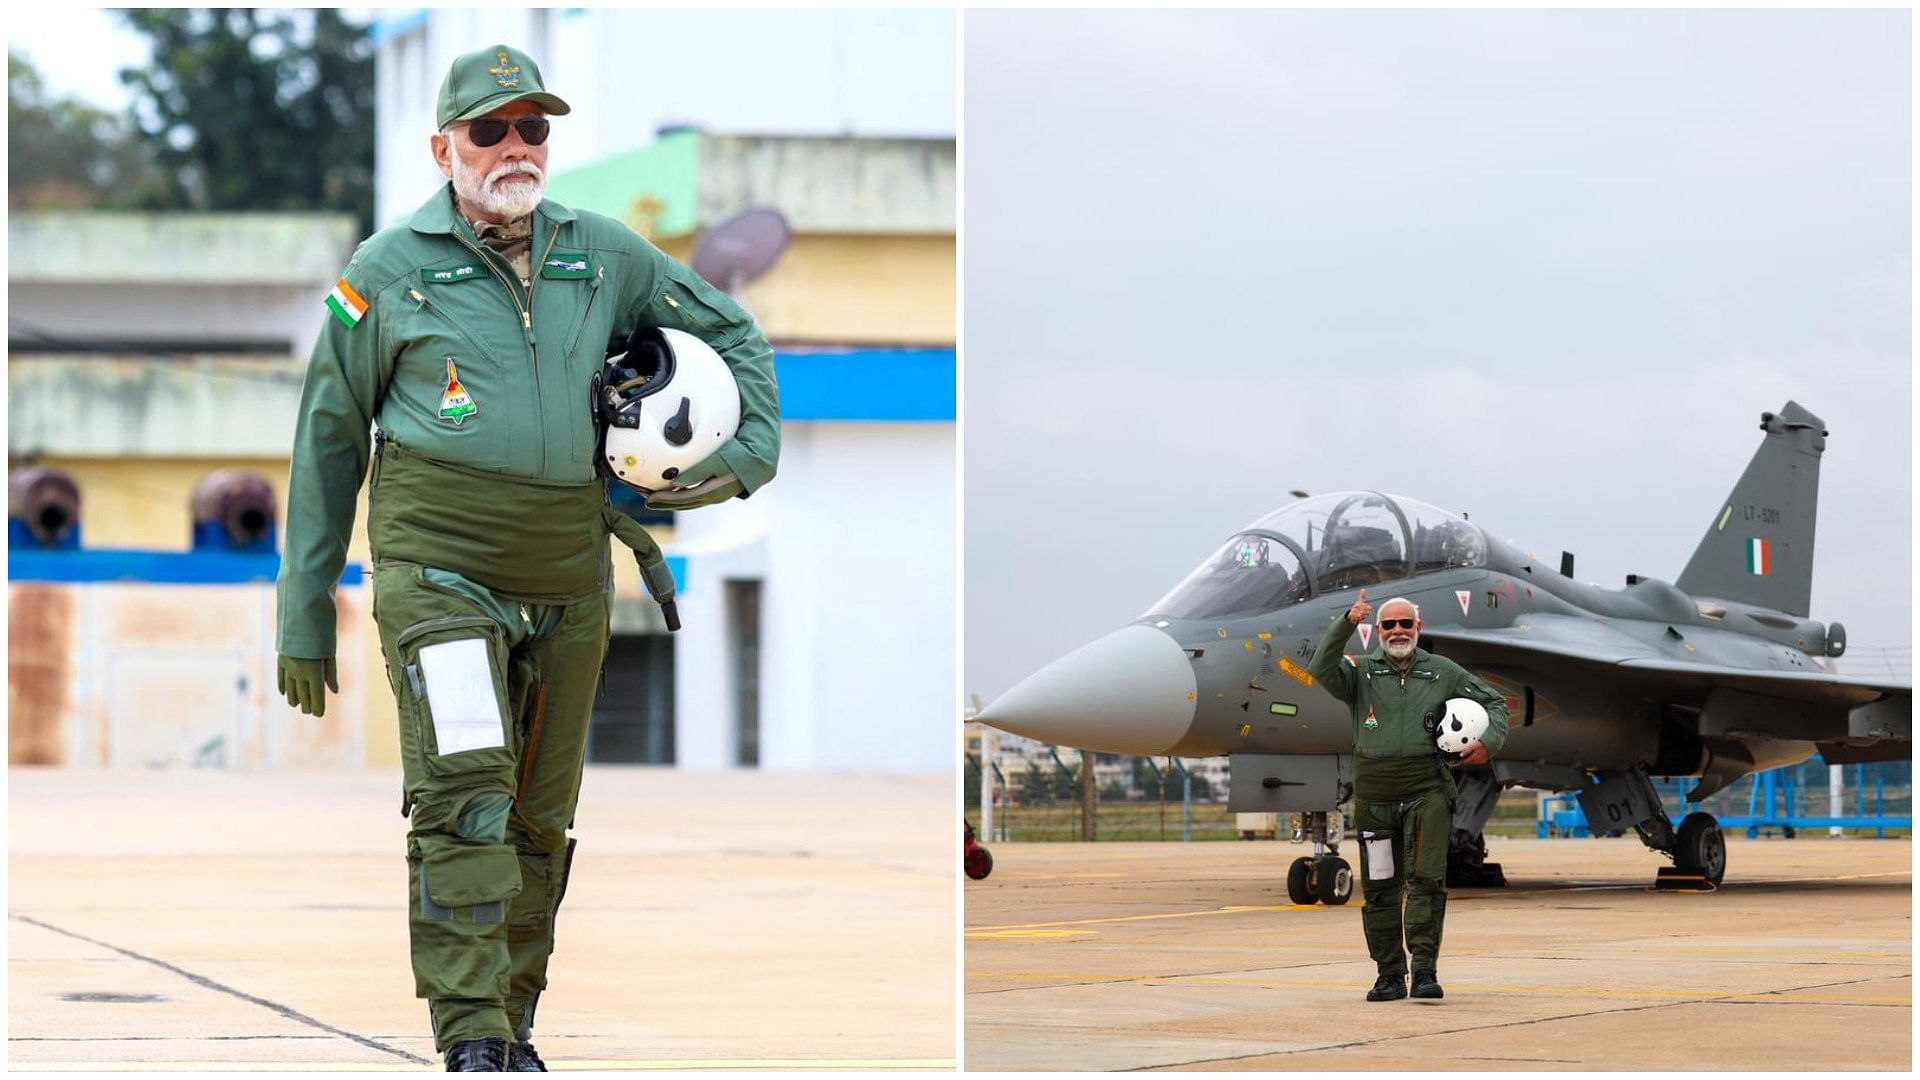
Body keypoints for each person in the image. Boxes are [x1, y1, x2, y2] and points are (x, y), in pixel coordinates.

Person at [273, 44, 779, 1071]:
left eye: (533, 128)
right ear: (443, 147)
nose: (515, 148)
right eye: (490, 129)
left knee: (541, 822)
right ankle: (469, 1035)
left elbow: (734, 334)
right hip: (437, 567)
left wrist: (744, 458)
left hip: (567, 575)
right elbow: (329, 432)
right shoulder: (381, 273)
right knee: (468, 798)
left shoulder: (606, 255)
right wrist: (302, 603)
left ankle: (513, 1026)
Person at [1307, 590, 1507, 1003]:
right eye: (1388, 625)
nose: (1398, 631)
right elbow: (1319, 667)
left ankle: (1424, 971)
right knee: (1380, 887)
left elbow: (1494, 701)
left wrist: (1490, 741)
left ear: (1419, 628)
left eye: (1405, 624)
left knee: (1426, 881)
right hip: (1375, 800)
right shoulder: (1359, 673)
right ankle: (1389, 976)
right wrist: (1346, 622)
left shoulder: (1442, 672)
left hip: (1426, 793)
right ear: (1376, 631)